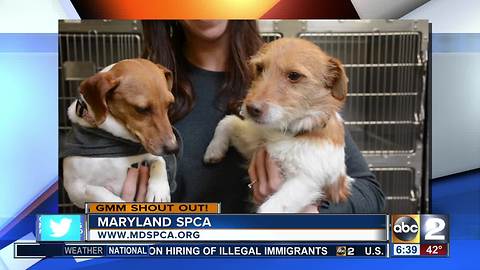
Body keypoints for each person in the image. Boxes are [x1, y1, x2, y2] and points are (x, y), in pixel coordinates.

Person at [123, 20, 384, 213]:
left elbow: (371, 194)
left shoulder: (290, 60)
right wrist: (122, 216)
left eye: (292, 77)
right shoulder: (140, 87)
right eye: (260, 71)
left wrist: (311, 211)